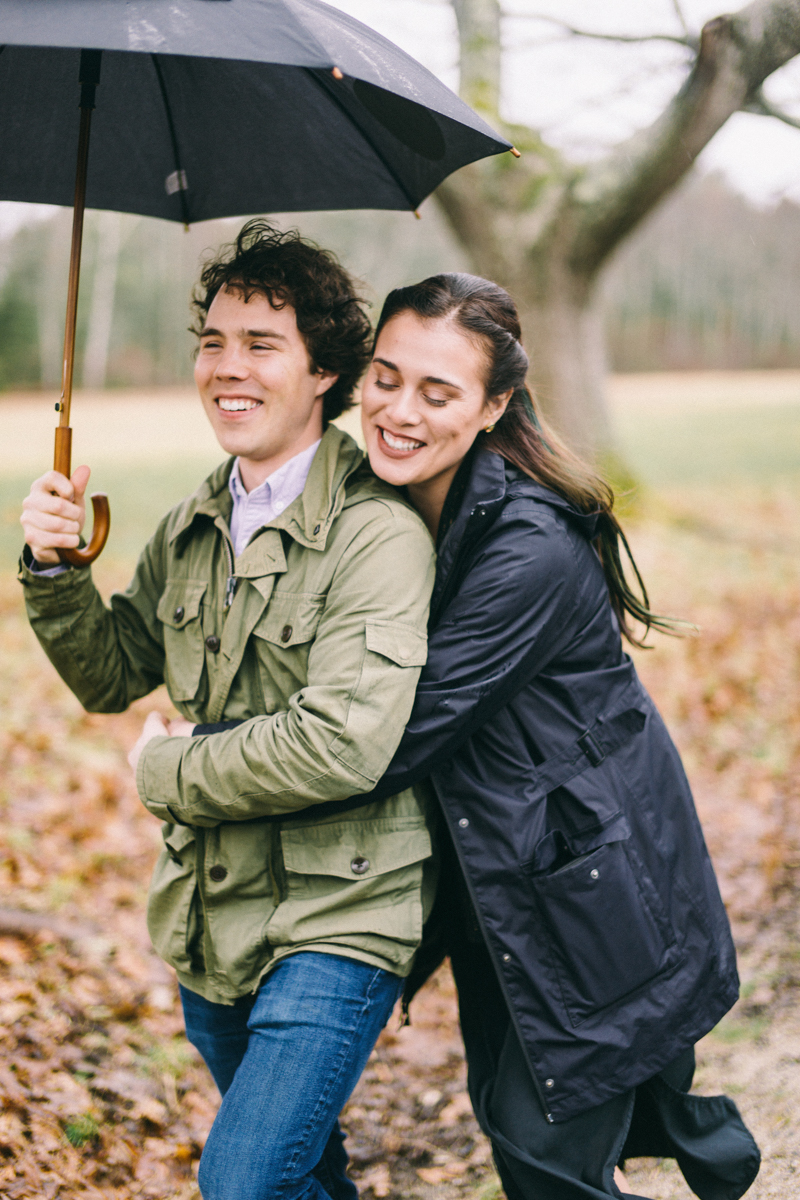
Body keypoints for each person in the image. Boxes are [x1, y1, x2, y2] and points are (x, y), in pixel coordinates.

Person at [17, 222, 437, 1200]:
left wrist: (166, 770)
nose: (225, 367)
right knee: (301, 1172)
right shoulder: (194, 521)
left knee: (244, 1181)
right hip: (213, 916)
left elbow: (341, 745)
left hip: (339, 916)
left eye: (261, 344)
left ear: (325, 369)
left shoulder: (374, 531)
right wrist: (52, 565)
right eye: (212, 340)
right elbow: (113, 673)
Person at [351, 272, 761, 1200]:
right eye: (386, 375)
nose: (397, 409)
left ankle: (703, 1141)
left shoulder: (526, 549)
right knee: (567, 1107)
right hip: (510, 868)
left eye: (437, 391)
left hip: (586, 885)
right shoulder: (404, 506)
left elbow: (397, 733)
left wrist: (213, 757)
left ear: (495, 406)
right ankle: (708, 1145)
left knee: (541, 1147)